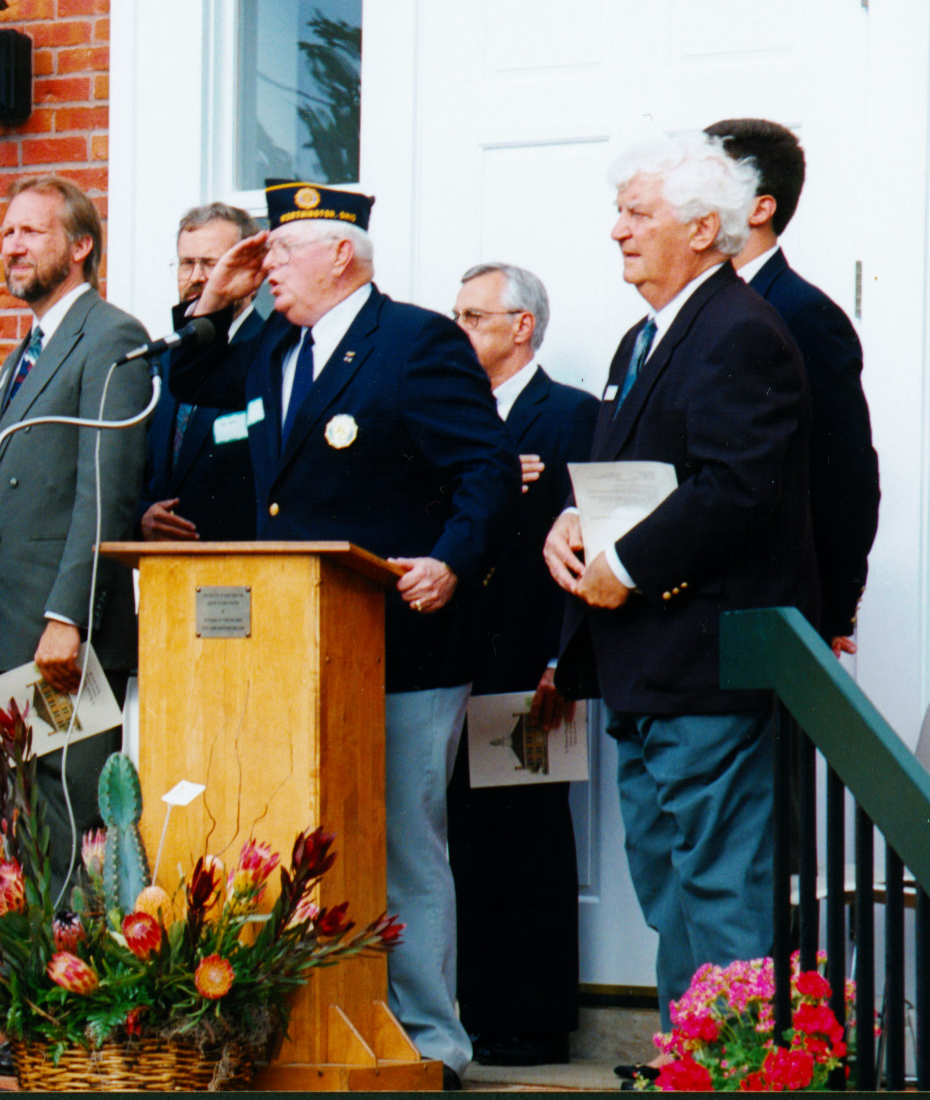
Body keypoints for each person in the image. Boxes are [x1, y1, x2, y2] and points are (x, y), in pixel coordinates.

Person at [175, 180, 519, 1088]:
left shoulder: (414, 342)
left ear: (340, 254)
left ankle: (431, 1042)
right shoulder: (269, 347)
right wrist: (215, 300)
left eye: (280, 251)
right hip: (292, 650)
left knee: (402, 844)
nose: (267, 268)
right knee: (291, 836)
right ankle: (303, 1027)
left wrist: (450, 561)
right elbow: (188, 381)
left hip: (400, 645)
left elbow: (485, 467)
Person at [542, 133, 817, 1036]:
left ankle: (739, 1073)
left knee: (722, 898)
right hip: (645, 669)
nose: (616, 230)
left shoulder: (740, 332)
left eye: (636, 213)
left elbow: (734, 486)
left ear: (703, 229)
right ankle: (690, 1062)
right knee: (670, 893)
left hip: (706, 671)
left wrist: (624, 566)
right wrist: (574, 522)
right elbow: (641, 475)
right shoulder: (645, 336)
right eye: (618, 212)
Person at [0, 175, 151, 884]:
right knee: (19, 837)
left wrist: (66, 618)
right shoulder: (22, 356)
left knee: (67, 827)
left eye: (31, 231)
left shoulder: (111, 337)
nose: (12, 246)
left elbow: (106, 490)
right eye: (7, 232)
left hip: (62, 638)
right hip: (5, 635)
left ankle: (76, 959)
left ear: (80, 247)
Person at [444, 262, 597, 1068]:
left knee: (530, 840)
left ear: (520, 326)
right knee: (465, 841)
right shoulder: (452, 418)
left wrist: (563, 660)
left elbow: (590, 543)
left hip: (534, 661)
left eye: (473, 317)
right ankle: (478, 1016)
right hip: (456, 659)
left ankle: (535, 1024)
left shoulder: (570, 414)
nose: (458, 330)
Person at [705, 118, 880, 651]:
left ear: (761, 209)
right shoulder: (690, 311)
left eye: (709, 184)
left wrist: (830, 612)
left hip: (772, 613)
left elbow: (845, 473)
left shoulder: (802, 314)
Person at [140, 202, 264, 542]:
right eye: (187, 263)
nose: (196, 277)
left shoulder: (269, 353)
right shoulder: (161, 361)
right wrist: (142, 516)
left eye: (211, 264)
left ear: (251, 275)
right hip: (163, 565)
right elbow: (133, 468)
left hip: (243, 561)